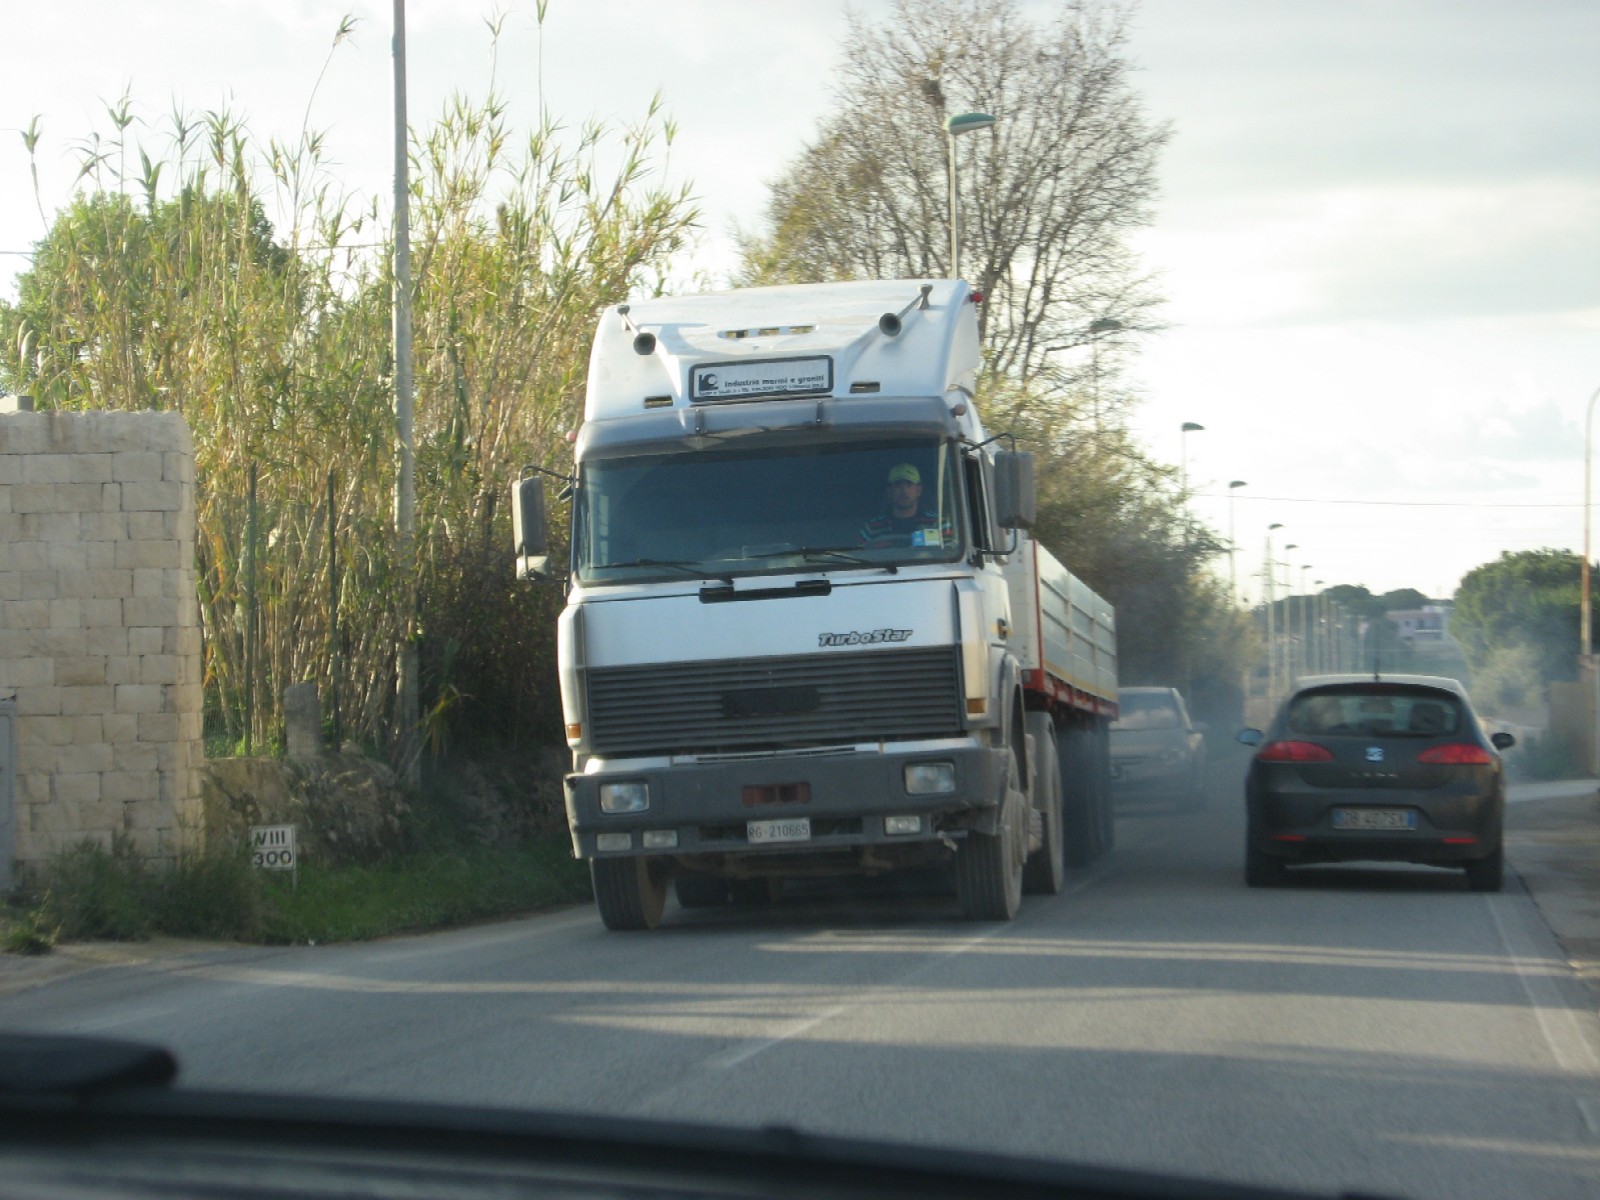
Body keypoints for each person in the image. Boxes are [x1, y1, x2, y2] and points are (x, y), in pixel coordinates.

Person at [858, 463, 952, 549]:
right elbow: (859, 555)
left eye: (909, 484)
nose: (904, 491)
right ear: (889, 491)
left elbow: (950, 553)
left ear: (918, 490)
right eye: (898, 485)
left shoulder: (938, 524)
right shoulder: (872, 528)